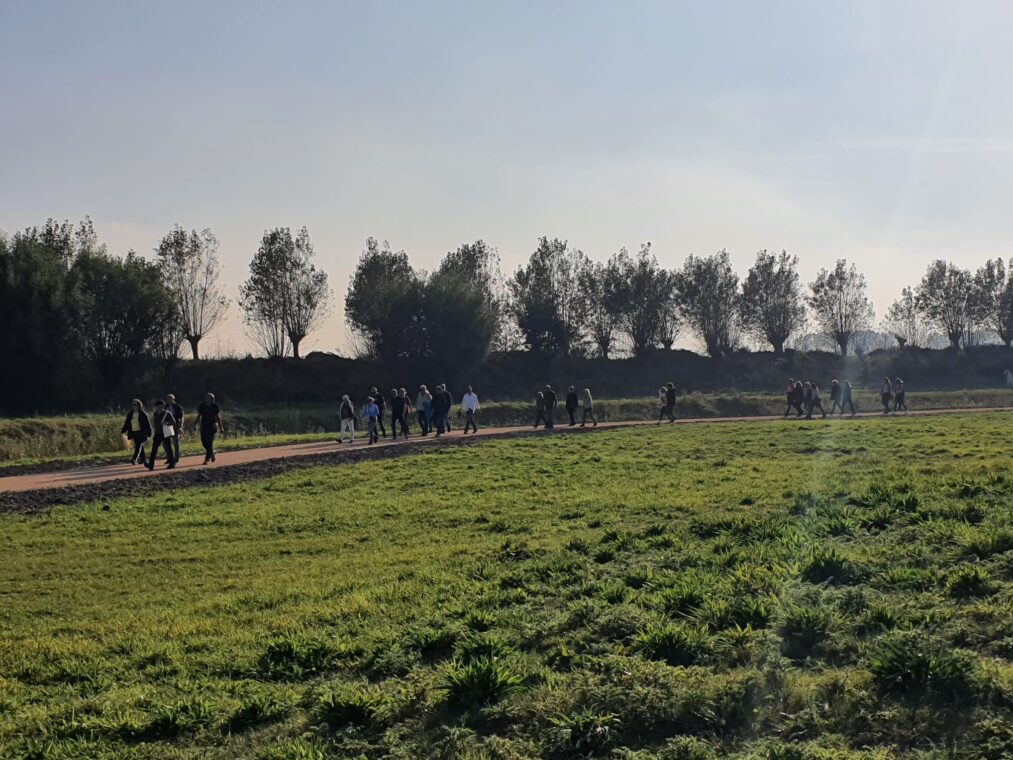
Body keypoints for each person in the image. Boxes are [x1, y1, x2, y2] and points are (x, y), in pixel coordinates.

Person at [147, 399, 177, 470]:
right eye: (157, 406)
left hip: (165, 433)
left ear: (163, 406)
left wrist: (166, 423)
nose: (158, 407)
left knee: (168, 448)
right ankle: (151, 464)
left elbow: (173, 422)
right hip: (157, 433)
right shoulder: (155, 413)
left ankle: (172, 464)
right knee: (154, 449)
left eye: (160, 405)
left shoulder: (167, 413)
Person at [195, 392, 224, 464]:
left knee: (209, 442)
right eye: (210, 398)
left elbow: (218, 417)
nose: (212, 399)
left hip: (212, 426)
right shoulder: (202, 406)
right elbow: (199, 416)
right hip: (204, 426)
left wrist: (221, 427)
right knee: (204, 442)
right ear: (206, 398)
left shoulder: (215, 406)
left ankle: (206, 459)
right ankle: (212, 453)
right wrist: (195, 424)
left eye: (212, 398)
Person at [121, 399, 152, 465]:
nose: (134, 406)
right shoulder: (130, 414)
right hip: (134, 432)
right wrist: (124, 429)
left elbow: (147, 424)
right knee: (139, 446)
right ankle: (143, 460)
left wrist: (149, 432)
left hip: (141, 432)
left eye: (135, 404)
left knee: (139, 445)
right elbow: (127, 423)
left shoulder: (143, 414)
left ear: (139, 405)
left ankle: (134, 459)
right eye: (133, 404)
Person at [166, 393, 184, 463]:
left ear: (173, 399)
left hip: (175, 426)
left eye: (170, 399)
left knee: (176, 443)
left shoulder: (177, 407)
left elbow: (181, 417)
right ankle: (169, 458)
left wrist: (181, 426)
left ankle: (176, 458)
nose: (168, 400)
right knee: (166, 444)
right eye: (167, 399)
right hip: (167, 426)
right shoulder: (165, 407)